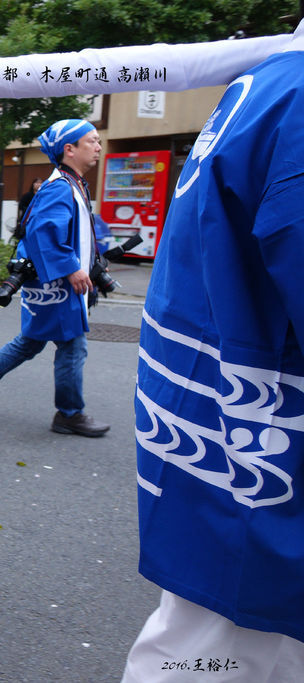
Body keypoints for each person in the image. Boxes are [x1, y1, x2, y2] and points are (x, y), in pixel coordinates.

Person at [122, 24, 304, 680]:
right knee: (227, 645)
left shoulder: (265, 86)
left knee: (213, 640)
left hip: (214, 420)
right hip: (266, 441)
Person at [0, 119, 109, 437]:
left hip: (53, 284)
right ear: (70, 149)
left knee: (31, 342)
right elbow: (41, 231)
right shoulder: (61, 186)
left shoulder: (67, 183)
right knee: (71, 346)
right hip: (59, 286)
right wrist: (71, 268)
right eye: (91, 141)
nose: (98, 146)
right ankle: (69, 414)